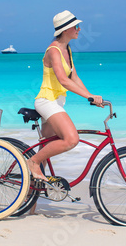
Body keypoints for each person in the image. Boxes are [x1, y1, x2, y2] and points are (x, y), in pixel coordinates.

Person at [28, 10, 103, 182]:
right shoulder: (54, 51)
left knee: (46, 147)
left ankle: (31, 199)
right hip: (46, 101)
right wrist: (88, 97)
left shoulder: (66, 49)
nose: (79, 29)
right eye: (75, 26)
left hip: (57, 103)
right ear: (65, 29)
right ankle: (32, 162)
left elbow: (74, 78)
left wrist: (91, 96)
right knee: (71, 139)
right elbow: (63, 80)